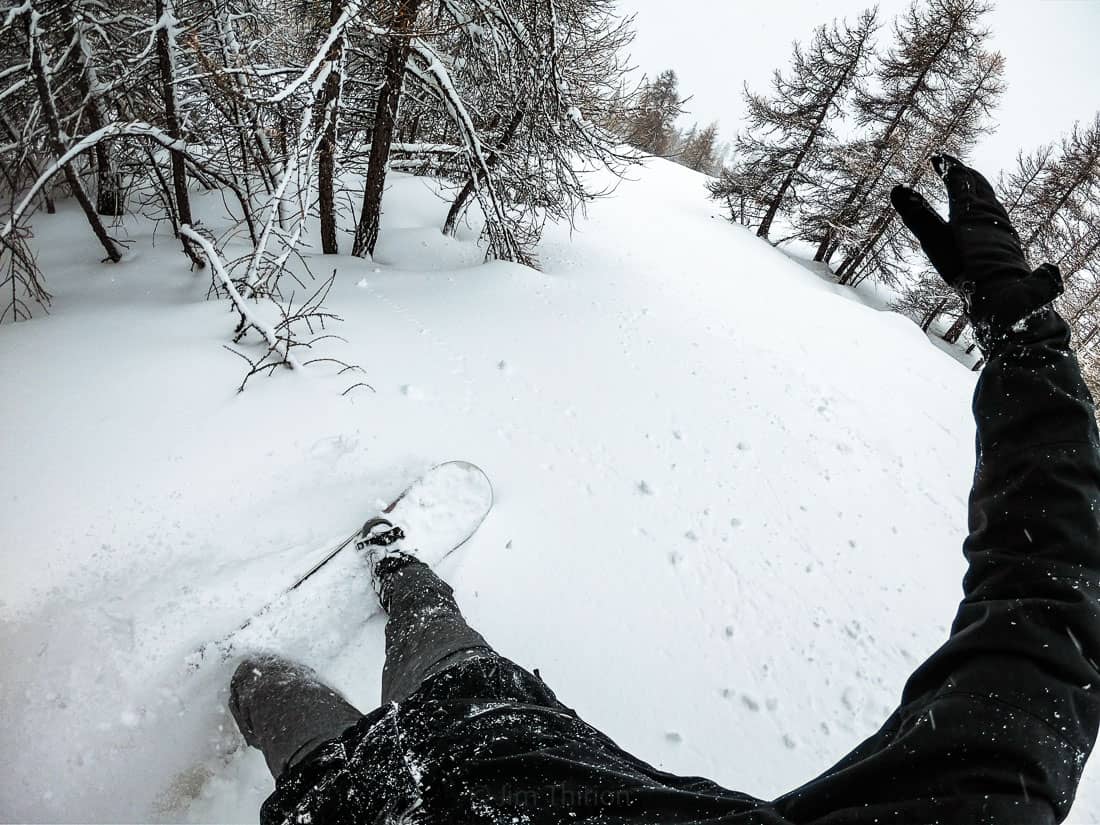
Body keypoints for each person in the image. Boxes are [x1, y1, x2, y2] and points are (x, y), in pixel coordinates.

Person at [229, 155, 1100, 824]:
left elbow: (1045, 629)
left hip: (369, 789)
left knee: (287, 696)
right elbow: (1045, 619)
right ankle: (388, 576)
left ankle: (265, 667)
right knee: (422, 642)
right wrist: (1023, 334)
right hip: (490, 729)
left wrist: (1025, 331)